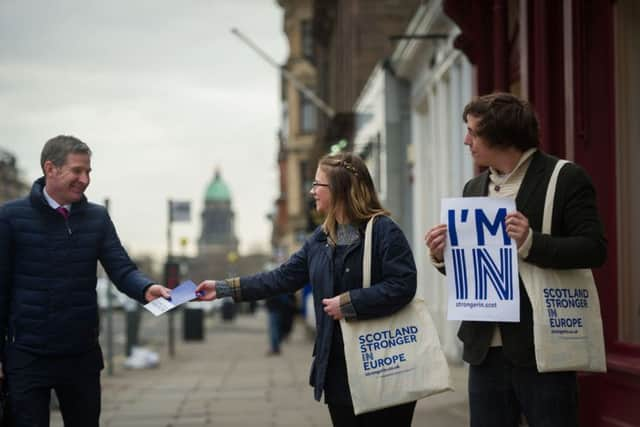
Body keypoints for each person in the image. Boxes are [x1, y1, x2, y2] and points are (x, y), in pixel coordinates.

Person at [424, 92, 607, 427]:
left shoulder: (564, 178)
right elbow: (478, 270)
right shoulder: (473, 188)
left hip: (542, 347)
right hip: (484, 349)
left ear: (502, 135)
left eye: (474, 132)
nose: (467, 140)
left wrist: (531, 242)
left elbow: (594, 249)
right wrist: (442, 256)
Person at [196, 152, 418, 426]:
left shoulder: (384, 230)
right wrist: (222, 289)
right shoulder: (321, 239)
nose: (311, 191)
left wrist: (349, 302)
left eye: (317, 184)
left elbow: (403, 285)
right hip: (338, 369)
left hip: (385, 363)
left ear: (339, 189)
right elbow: (280, 278)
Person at [0, 135, 171, 427]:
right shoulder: (11, 218)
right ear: (50, 168)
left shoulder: (97, 218)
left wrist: (146, 288)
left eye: (88, 171)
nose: (85, 179)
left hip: (80, 355)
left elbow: (121, 268)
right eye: (77, 171)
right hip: (27, 356)